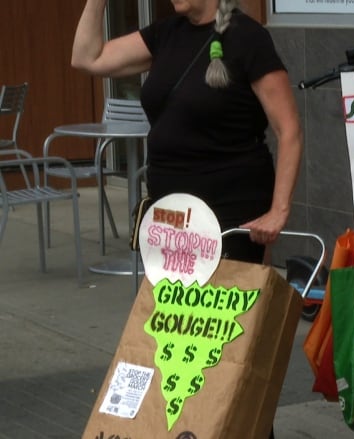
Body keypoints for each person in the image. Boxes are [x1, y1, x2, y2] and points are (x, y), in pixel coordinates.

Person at [71, 0, 303, 437]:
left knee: (230, 343)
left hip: (233, 215)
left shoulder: (247, 38)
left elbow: (289, 129)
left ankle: (247, 427)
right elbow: (88, 58)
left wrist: (279, 209)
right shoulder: (165, 33)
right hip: (174, 223)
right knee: (178, 344)